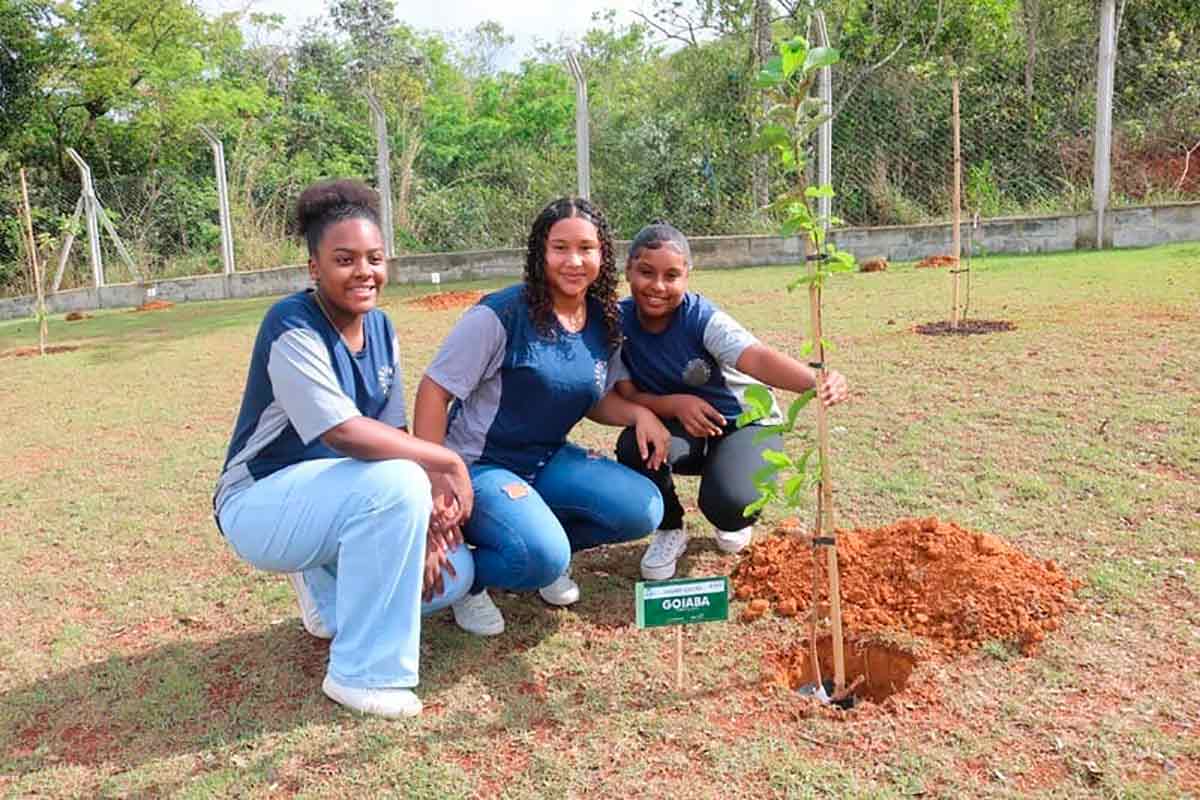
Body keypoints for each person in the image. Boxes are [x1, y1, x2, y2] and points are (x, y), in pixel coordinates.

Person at [214, 179, 475, 719]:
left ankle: (324, 590)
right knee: (402, 482)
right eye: (345, 259)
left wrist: (426, 527)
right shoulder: (291, 324)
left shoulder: (381, 327)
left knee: (454, 581)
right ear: (314, 267)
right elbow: (343, 433)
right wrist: (444, 461)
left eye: (375, 258)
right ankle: (360, 673)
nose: (364, 272)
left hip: (341, 497)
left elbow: (394, 433)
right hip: (259, 500)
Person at [413, 197, 668, 636]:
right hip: (480, 465)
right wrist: (436, 476)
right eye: (560, 248)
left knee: (642, 509)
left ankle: (537, 541)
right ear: (539, 252)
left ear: (602, 255)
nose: (574, 261)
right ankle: (473, 583)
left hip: (548, 459)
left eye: (586, 248)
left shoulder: (603, 320)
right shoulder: (501, 314)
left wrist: (638, 413)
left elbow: (591, 398)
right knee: (542, 556)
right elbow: (433, 392)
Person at [612, 221, 850, 580]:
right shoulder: (616, 323)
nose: (658, 286)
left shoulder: (701, 318)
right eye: (646, 272)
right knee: (635, 444)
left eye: (672, 275)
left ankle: (731, 487)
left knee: (730, 505)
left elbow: (757, 358)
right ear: (628, 268)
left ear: (688, 276)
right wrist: (676, 404)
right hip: (684, 425)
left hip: (745, 422)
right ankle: (670, 528)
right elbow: (627, 394)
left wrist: (815, 381)